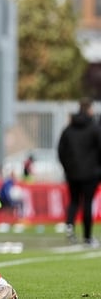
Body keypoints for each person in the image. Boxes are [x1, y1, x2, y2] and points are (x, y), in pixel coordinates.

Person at [58, 97, 101, 247]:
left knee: (74, 201)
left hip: (72, 173)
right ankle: (87, 237)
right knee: (87, 203)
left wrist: (67, 168)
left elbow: (61, 151)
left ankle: (70, 226)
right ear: (89, 108)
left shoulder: (68, 129)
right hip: (91, 173)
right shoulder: (94, 128)